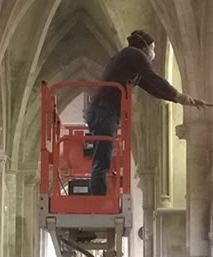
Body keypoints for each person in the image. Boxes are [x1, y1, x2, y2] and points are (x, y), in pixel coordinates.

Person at [85, 30, 205, 195]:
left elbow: (154, 88)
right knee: (102, 158)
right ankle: (98, 201)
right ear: (145, 47)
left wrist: (183, 100)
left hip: (104, 110)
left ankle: (98, 197)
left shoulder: (129, 61)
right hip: (103, 110)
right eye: (153, 48)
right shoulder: (134, 53)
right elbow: (153, 77)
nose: (153, 54)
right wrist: (179, 96)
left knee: (103, 155)